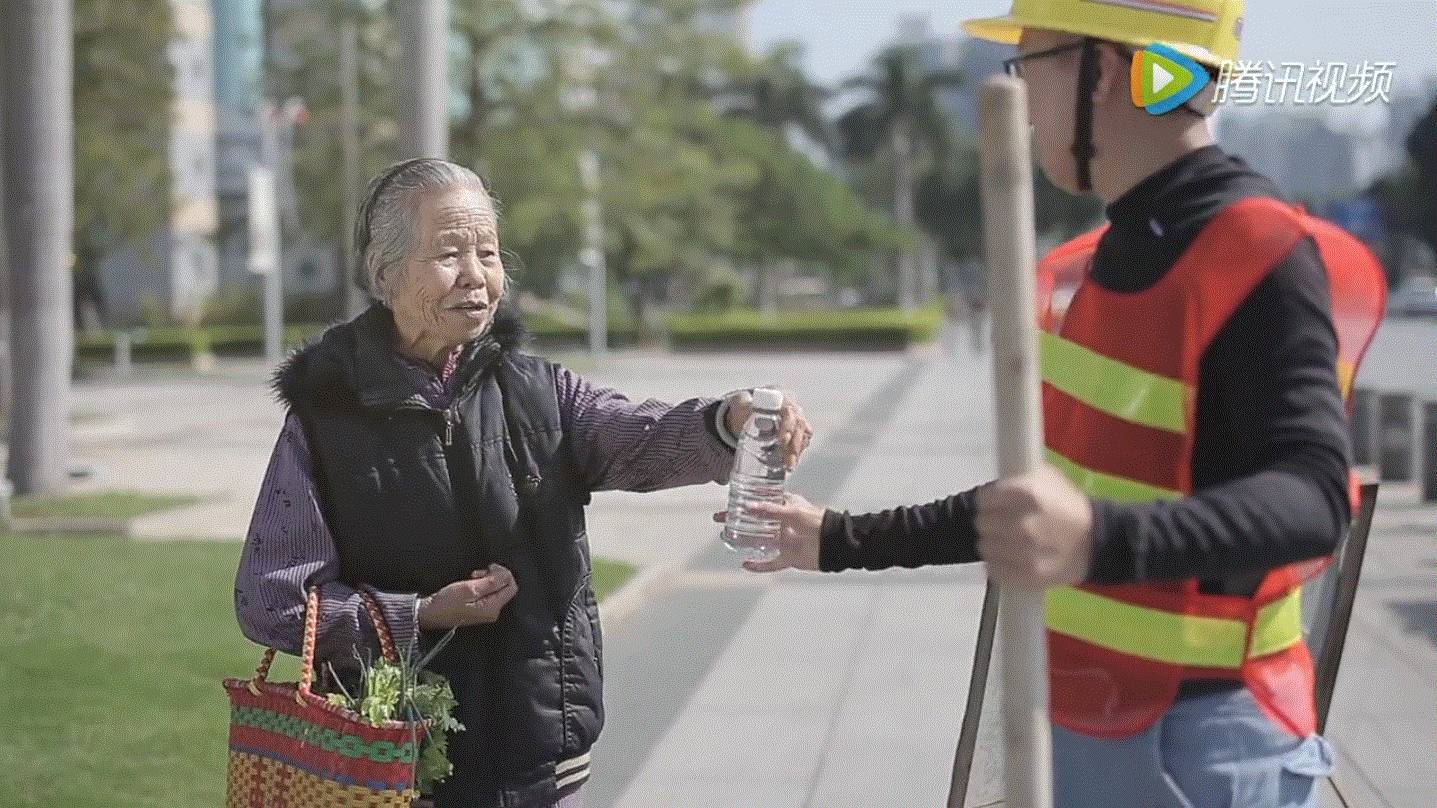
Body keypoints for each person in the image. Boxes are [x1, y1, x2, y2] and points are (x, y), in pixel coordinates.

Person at [728, 3, 1385, 806]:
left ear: (1101, 71)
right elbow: (1039, 506)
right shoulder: (1099, 260)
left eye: (1027, 65)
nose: (1023, 95)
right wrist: (834, 538)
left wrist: (1097, 537)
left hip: (1199, 746)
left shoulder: (1256, 252)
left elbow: (1316, 497)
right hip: (1085, 725)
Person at [234, 157, 814, 808]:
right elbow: (274, 601)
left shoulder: (540, 392)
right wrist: (420, 615)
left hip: (545, 751)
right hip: (401, 763)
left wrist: (727, 420)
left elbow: (638, 437)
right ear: (383, 271)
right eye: (449, 252)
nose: (476, 275)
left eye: (487, 251)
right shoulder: (325, 417)